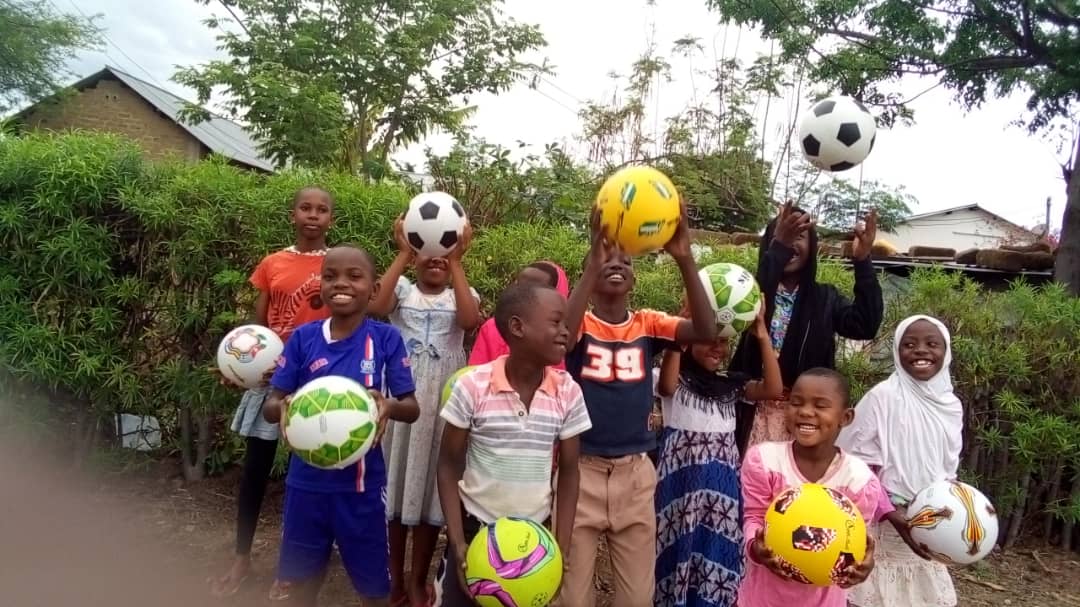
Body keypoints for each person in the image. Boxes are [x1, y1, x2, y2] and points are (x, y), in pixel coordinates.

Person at [560, 202, 717, 607]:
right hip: (581, 472)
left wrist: (685, 257)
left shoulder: (647, 324)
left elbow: (705, 330)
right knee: (572, 596)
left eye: (626, 261)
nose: (616, 264)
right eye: (606, 258)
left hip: (635, 474)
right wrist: (590, 266)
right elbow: (562, 338)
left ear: (634, 278)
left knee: (637, 597)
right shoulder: (579, 324)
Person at [261, 245, 420, 607]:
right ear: (321, 285)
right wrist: (282, 408)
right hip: (306, 485)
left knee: (373, 590)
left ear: (374, 289)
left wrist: (388, 405)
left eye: (354, 276)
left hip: (362, 488)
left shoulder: (386, 339)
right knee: (302, 583)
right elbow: (272, 403)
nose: (341, 284)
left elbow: (412, 408)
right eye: (330, 276)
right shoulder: (303, 338)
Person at [433, 282, 592, 606]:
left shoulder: (567, 391)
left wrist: (560, 547)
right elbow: (448, 465)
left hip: (534, 544)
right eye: (556, 322)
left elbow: (569, 472)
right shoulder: (472, 386)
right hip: (475, 534)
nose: (566, 331)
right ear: (518, 327)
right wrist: (458, 541)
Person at [210, 186, 334, 598]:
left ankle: (294, 567)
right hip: (271, 381)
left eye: (321, 209)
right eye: (305, 208)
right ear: (293, 214)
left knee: (307, 479)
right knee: (255, 472)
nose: (313, 215)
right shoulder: (272, 263)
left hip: (316, 380)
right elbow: (258, 329)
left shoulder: (336, 264)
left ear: (330, 219)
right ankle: (241, 558)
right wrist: (242, 368)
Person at [368, 217, 481, 607]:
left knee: (430, 491)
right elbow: (376, 306)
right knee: (397, 486)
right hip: (403, 398)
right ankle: (393, 577)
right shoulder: (401, 290)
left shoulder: (462, 295)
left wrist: (458, 260)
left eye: (444, 256)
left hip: (442, 406)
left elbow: (469, 321)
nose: (436, 260)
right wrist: (403, 253)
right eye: (427, 254)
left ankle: (418, 580)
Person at [653, 306, 783, 607]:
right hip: (679, 490)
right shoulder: (674, 377)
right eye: (708, 340)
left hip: (721, 495)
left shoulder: (732, 385)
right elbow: (667, 387)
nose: (717, 348)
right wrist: (679, 331)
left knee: (714, 554)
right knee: (675, 551)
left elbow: (773, 388)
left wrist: (762, 334)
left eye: (723, 341)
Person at [729, 202, 884, 454]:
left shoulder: (825, 298)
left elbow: (865, 325)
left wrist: (863, 261)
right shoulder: (751, 292)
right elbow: (759, 290)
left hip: (804, 418)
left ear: (812, 247)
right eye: (782, 235)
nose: (790, 243)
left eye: (799, 236)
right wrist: (780, 247)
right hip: (750, 414)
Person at [838, 315, 962, 607]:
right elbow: (855, 464)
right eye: (909, 344)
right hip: (884, 520)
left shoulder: (951, 405)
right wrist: (890, 512)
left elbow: (948, 467)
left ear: (946, 352)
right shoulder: (882, 397)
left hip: (931, 521)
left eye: (932, 344)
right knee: (872, 593)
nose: (921, 350)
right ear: (897, 350)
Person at [738, 368, 884, 607]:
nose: (805, 412)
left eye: (820, 405)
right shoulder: (764, 461)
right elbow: (753, 517)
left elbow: (855, 540)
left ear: (845, 417)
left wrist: (860, 566)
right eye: (796, 403)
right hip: (763, 599)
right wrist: (756, 547)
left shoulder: (858, 480)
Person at [468, 261, 570, 368]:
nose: (524, 295)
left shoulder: (556, 342)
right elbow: (476, 369)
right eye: (520, 286)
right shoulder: (491, 328)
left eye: (535, 290)